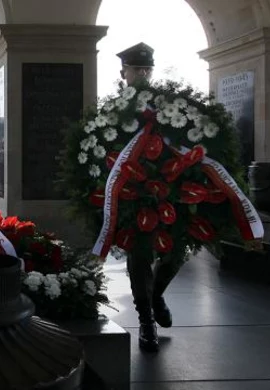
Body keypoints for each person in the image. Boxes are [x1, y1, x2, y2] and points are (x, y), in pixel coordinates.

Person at [116, 42, 173, 352]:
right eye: (137, 69)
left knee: (175, 254)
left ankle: (156, 294)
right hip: (131, 193)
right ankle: (145, 319)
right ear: (123, 72)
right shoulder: (114, 110)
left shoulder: (169, 104)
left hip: (169, 187)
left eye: (147, 69)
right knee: (139, 256)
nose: (143, 74)